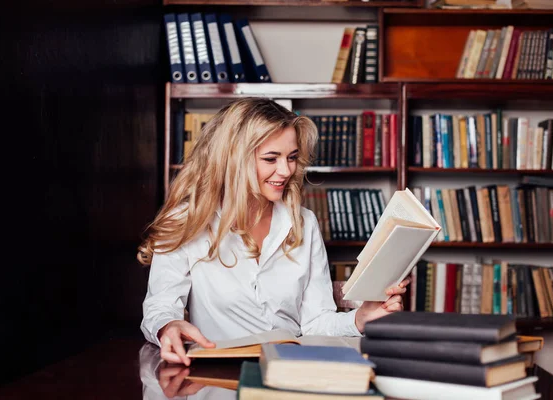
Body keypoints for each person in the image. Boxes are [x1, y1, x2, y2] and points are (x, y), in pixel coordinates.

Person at [138, 98, 410, 369]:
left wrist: (359, 318)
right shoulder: (187, 221)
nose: (286, 171)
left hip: (290, 373)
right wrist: (168, 326)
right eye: (271, 159)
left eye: (292, 158)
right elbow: (160, 306)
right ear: (233, 160)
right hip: (215, 376)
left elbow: (315, 322)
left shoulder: (304, 222)